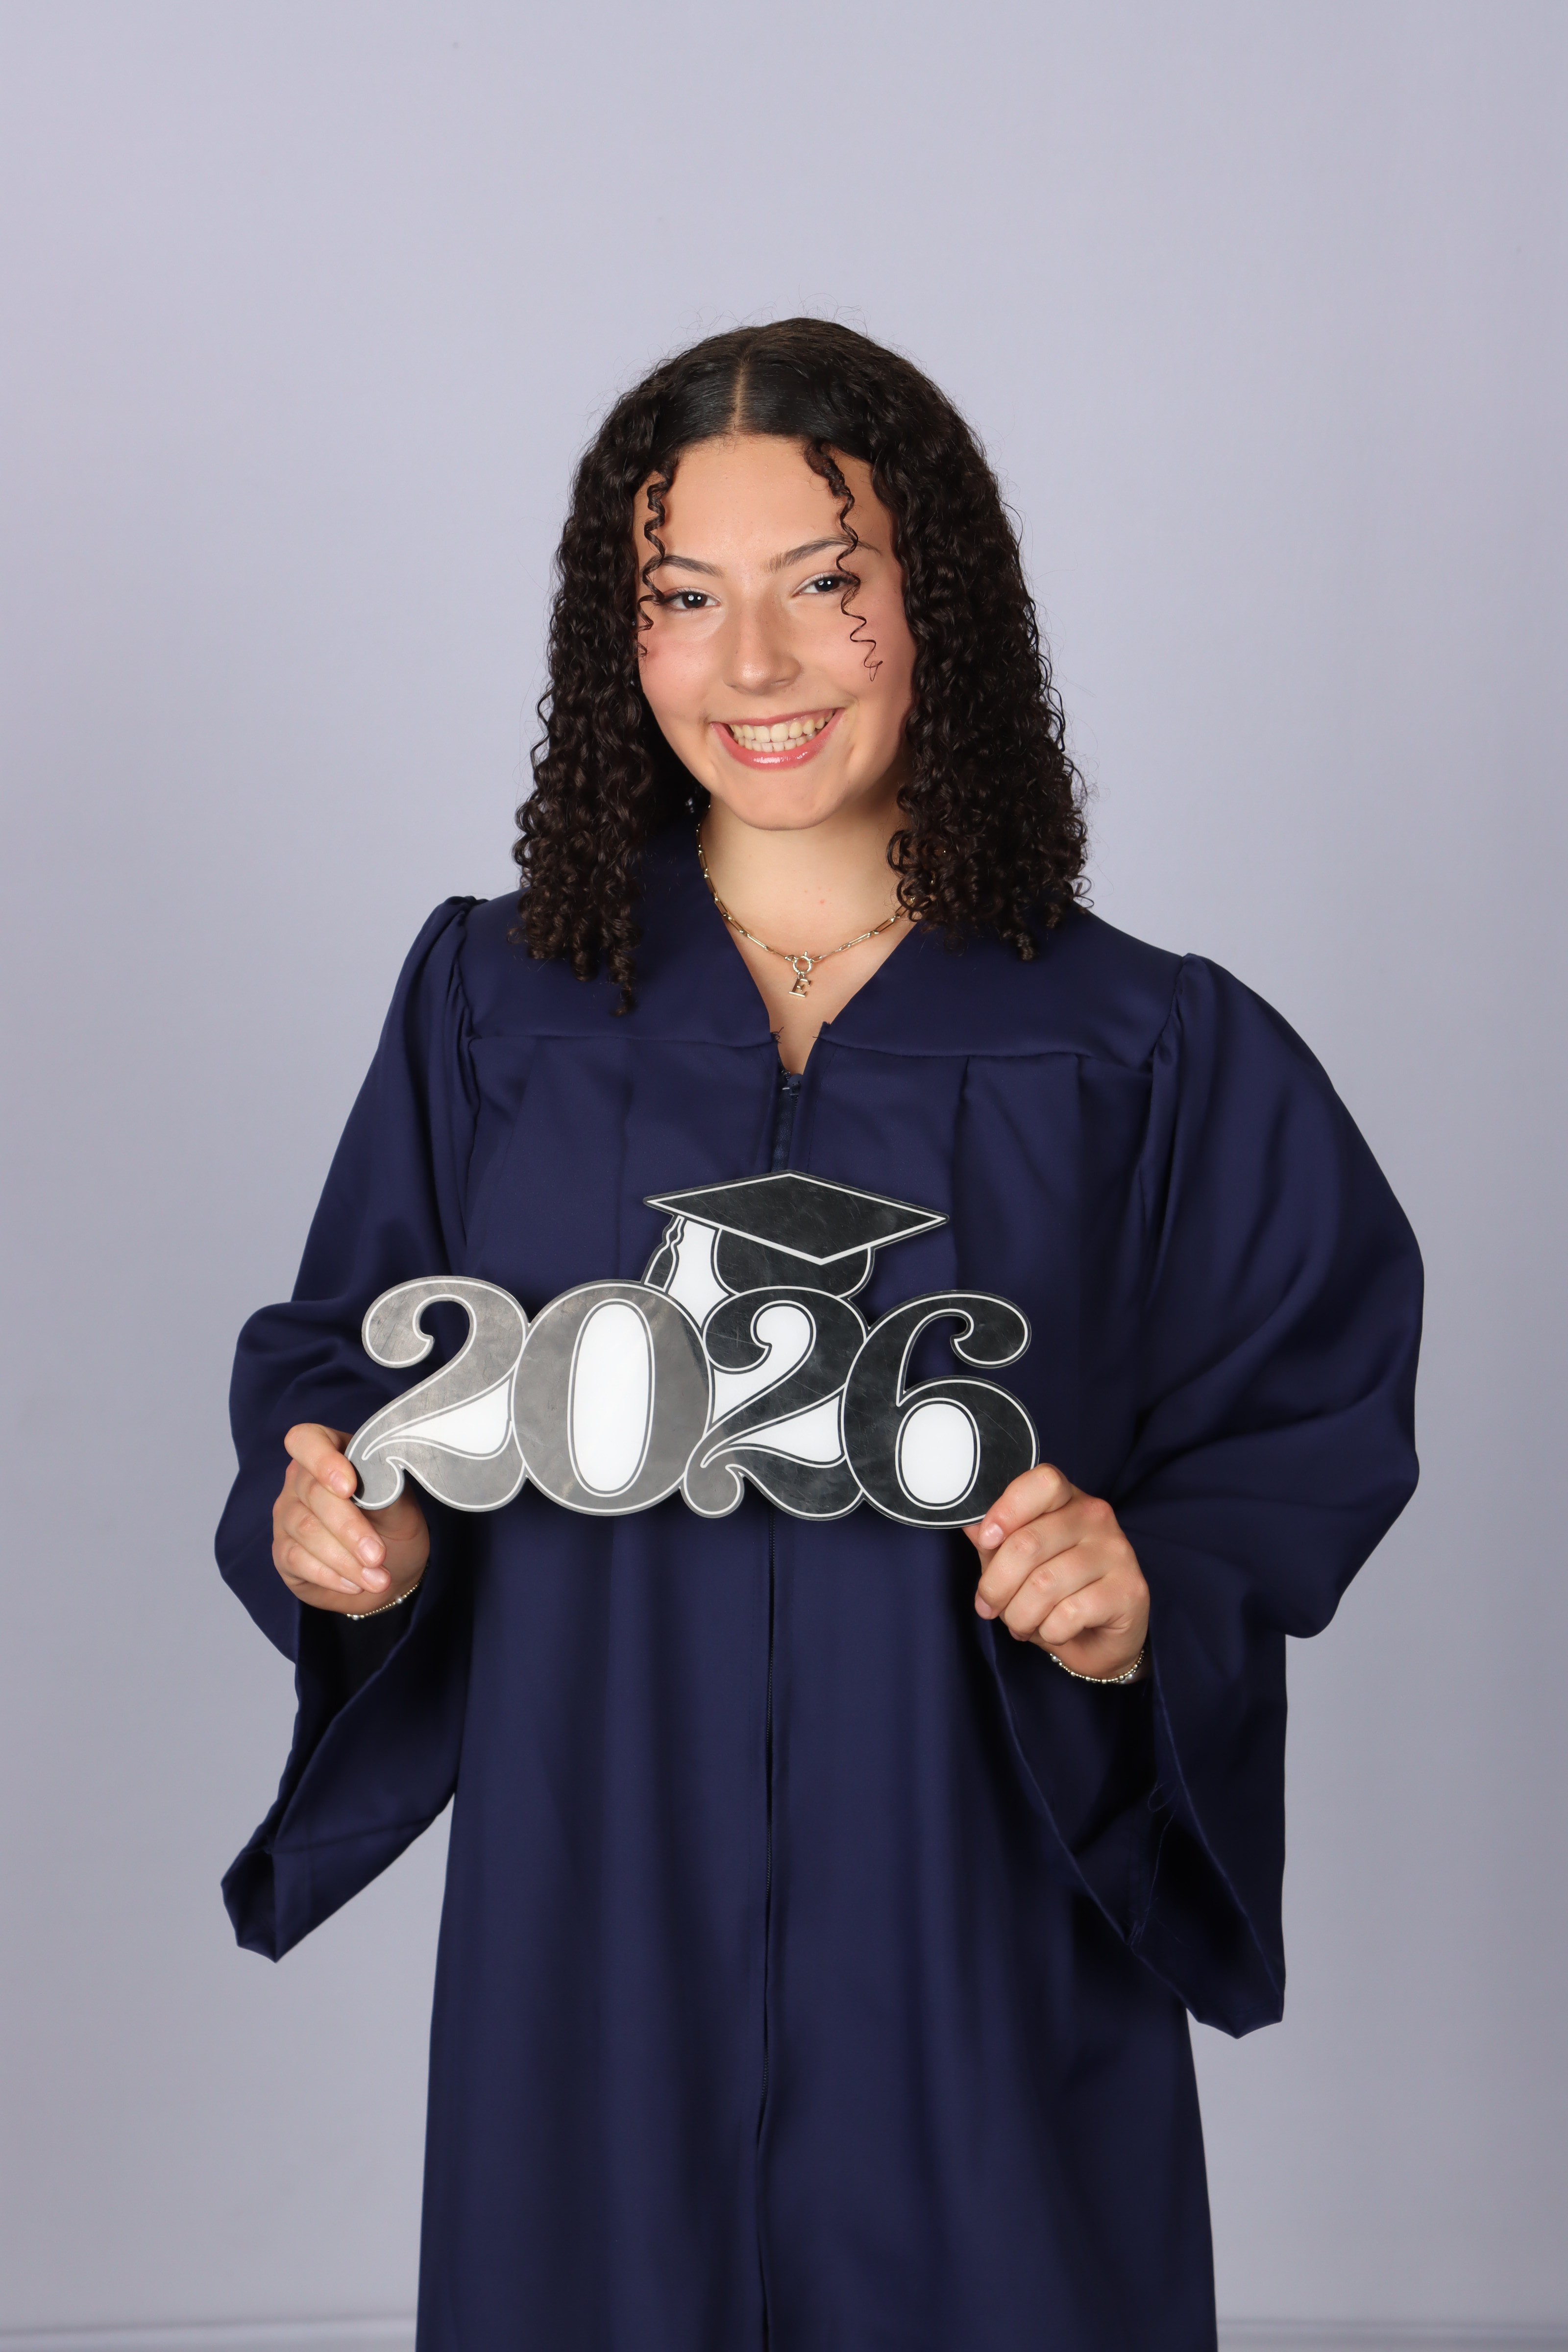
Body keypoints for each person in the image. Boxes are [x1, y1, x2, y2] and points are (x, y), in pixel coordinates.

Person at [217, 318, 1422, 2352]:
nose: (754, 665)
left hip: (970, 1923)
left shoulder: (1135, 1043)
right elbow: (350, 1356)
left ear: (936, 603)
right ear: (620, 635)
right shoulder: (497, 1009)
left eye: (823, 584)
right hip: (593, 1911)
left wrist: (1149, 1586)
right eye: (685, 598)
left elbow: (1295, 1409)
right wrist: (355, 1524)